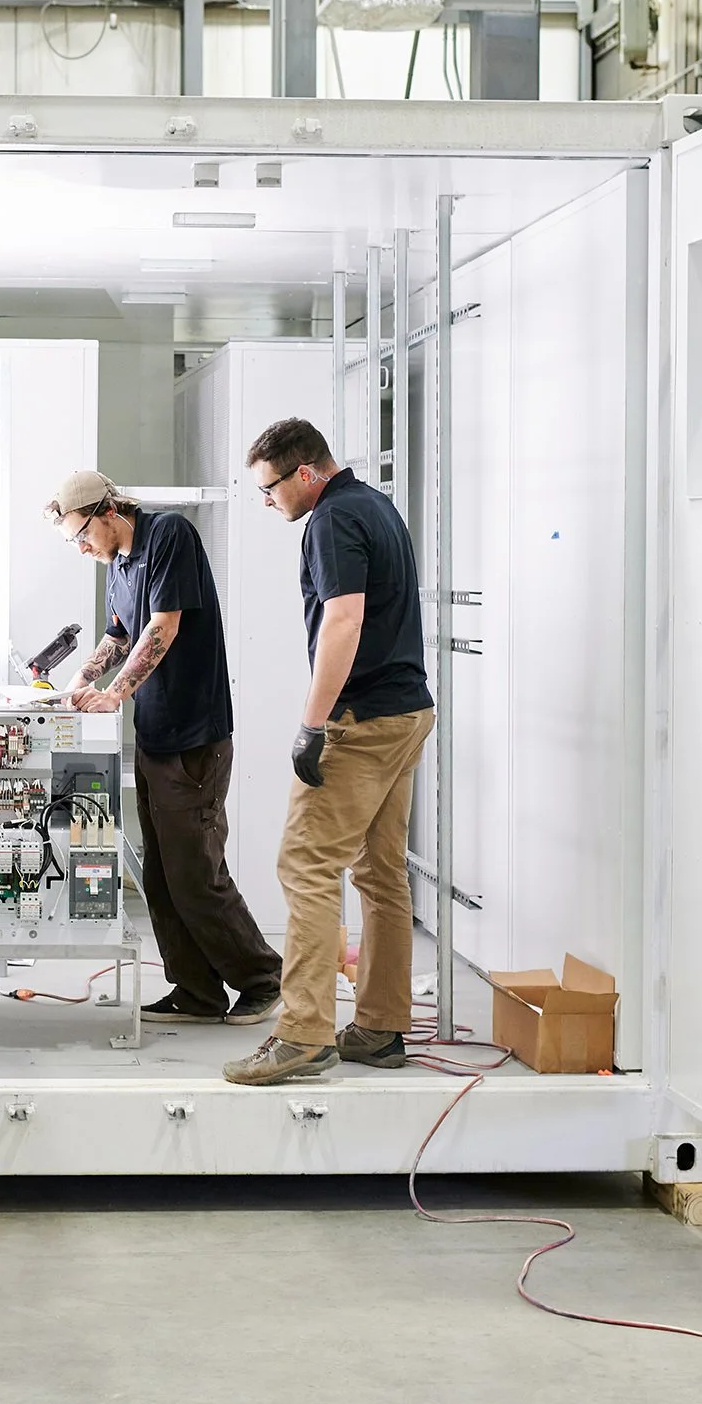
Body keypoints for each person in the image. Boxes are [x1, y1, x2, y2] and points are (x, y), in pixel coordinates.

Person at [222, 419, 434, 1085]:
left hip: (362, 721)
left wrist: (313, 724)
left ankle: (303, 1032)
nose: (268, 500)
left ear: (305, 472)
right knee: (380, 870)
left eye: (270, 486)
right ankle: (378, 1025)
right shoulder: (376, 506)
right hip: (408, 711)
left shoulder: (331, 519)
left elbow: (344, 617)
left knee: (306, 864)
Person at [44, 470, 284, 1026]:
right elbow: (121, 633)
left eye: (81, 534)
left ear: (107, 511)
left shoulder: (169, 536)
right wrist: (83, 676)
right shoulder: (119, 564)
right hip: (154, 737)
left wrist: (115, 694)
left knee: (197, 873)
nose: (80, 548)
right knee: (160, 875)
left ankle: (263, 979)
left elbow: (163, 625)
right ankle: (196, 993)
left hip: (193, 738)